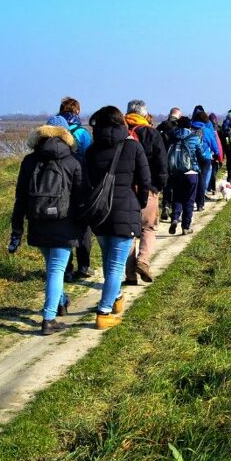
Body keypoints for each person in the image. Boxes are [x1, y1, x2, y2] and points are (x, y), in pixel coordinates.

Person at [9, 117, 86, 335]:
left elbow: (20, 197)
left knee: (52, 267)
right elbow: (81, 196)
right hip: (65, 223)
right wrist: (83, 224)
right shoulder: (73, 161)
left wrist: (17, 227)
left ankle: (61, 301)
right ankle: (49, 318)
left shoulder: (29, 161)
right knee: (56, 269)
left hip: (37, 221)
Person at [84, 106, 151, 330]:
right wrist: (139, 203)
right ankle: (103, 312)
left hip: (100, 213)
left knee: (108, 260)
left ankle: (117, 297)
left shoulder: (92, 150)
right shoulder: (132, 146)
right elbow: (145, 179)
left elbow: (86, 181)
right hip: (125, 207)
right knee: (115, 266)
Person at [124, 100, 167, 285]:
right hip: (148, 187)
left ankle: (130, 275)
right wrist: (159, 186)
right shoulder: (152, 133)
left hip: (125, 189)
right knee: (148, 227)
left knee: (128, 233)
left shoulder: (121, 132)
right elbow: (161, 163)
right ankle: (143, 261)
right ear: (144, 114)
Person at [57, 97, 94, 282]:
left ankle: (66, 268)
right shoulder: (82, 133)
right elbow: (90, 157)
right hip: (80, 184)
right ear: (77, 112)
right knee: (83, 226)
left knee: (63, 225)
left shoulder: (54, 131)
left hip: (58, 186)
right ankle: (84, 266)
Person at [167, 116, 212, 235]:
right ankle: (186, 227)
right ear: (189, 126)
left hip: (176, 172)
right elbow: (202, 155)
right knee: (189, 200)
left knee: (177, 197)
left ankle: (175, 218)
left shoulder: (172, 136)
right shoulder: (194, 138)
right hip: (191, 172)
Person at [190, 108, 222, 211]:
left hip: (192, 157)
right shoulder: (207, 131)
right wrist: (217, 154)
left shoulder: (190, 129)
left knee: (193, 179)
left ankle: (191, 200)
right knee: (202, 179)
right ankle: (200, 204)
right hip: (205, 157)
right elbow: (214, 145)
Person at [157, 107, 181, 222]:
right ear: (178, 116)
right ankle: (175, 212)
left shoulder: (161, 126)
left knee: (166, 186)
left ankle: (165, 207)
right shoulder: (179, 127)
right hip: (176, 160)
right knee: (176, 186)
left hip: (163, 160)